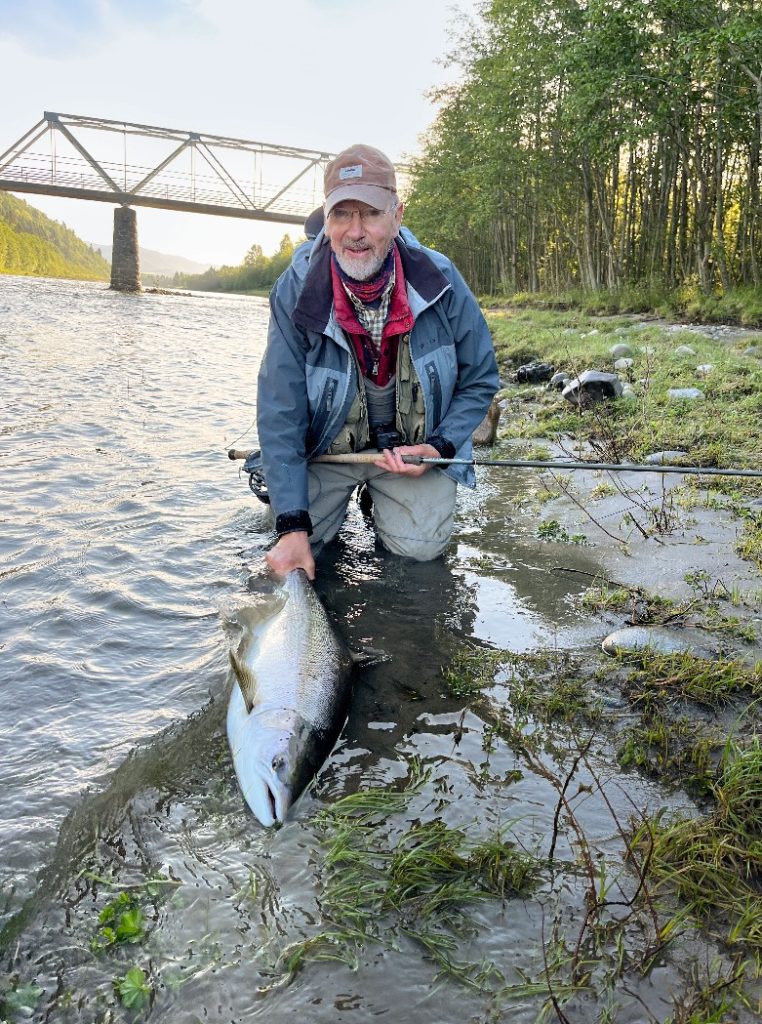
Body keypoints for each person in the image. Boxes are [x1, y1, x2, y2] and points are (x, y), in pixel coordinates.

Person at [257, 143, 499, 579]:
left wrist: (440, 447)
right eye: (341, 214)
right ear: (326, 221)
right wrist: (291, 522)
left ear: (397, 215)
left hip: (412, 451)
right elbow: (280, 408)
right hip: (327, 451)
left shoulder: (440, 281)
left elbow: (481, 378)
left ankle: (380, 501)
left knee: (419, 555)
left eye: (369, 213)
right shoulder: (294, 290)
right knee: (295, 552)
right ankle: (312, 513)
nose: (355, 231)